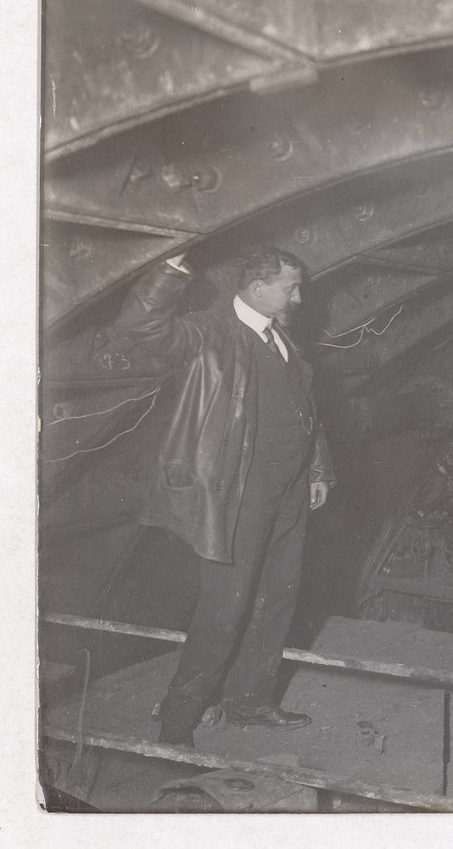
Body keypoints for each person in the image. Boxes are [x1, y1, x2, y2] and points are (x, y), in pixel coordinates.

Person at [116, 247, 335, 744]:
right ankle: (179, 717)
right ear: (259, 289)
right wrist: (169, 271)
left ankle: (250, 702)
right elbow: (142, 328)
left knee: (277, 599)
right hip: (238, 494)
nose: (298, 297)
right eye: (290, 287)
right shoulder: (209, 332)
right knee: (225, 608)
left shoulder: (281, 339)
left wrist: (317, 470)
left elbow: (307, 409)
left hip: (290, 493)